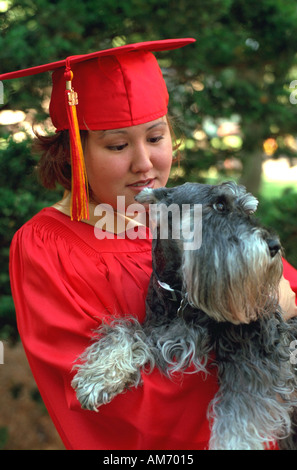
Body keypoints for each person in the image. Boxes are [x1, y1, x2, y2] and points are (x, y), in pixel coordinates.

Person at [2, 38, 297, 450]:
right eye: (118, 145)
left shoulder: (183, 215)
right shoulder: (46, 246)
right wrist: (262, 325)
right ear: (74, 152)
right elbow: (118, 405)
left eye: (155, 138)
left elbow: (287, 289)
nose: (144, 163)